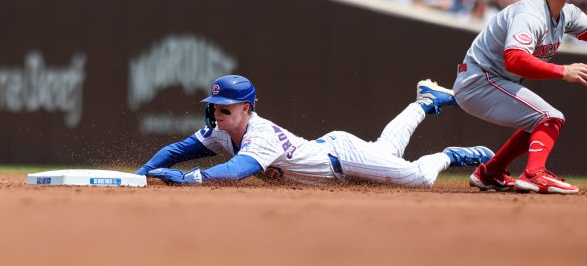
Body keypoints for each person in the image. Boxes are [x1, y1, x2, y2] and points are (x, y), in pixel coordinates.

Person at [136, 75, 494, 187]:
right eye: (214, 105)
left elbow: (236, 171)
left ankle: (449, 155)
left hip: (341, 158)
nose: (217, 111)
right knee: (387, 149)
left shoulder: (258, 134)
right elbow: (176, 151)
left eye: (225, 106)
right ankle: (426, 101)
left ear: (246, 108)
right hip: (331, 154)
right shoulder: (219, 130)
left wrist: (192, 179)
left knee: (418, 179)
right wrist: (142, 174)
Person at [454, 0, 587, 194]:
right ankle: (534, 174)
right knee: (550, 117)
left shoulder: (566, 12)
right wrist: (562, 71)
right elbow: (514, 59)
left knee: (539, 121)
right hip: (479, 80)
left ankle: (490, 172)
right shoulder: (530, 13)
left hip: (492, 79)